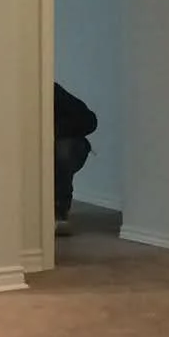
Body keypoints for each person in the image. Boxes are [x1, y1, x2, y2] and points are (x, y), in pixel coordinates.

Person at [53, 83, 97, 235]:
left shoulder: (50, 91)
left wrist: (52, 131)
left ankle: (59, 210)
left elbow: (89, 120)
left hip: (67, 144)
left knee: (62, 150)